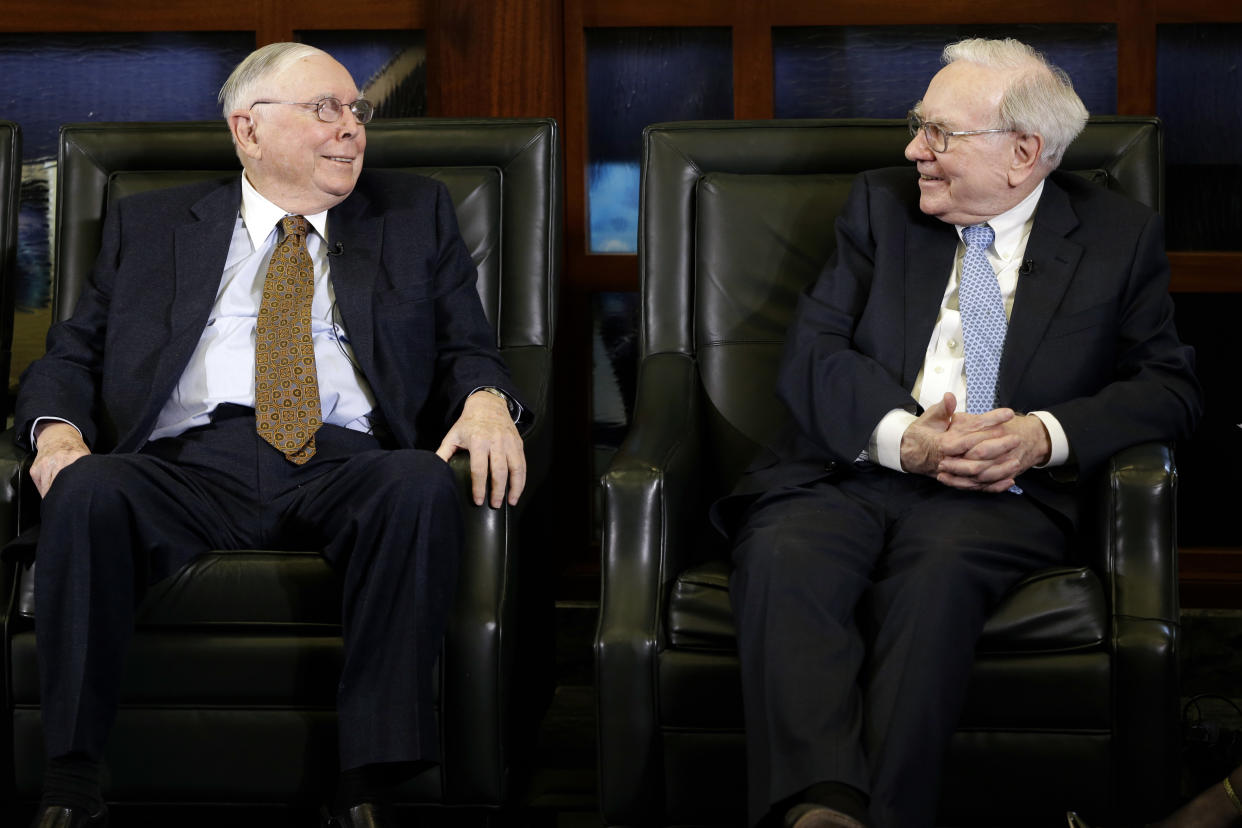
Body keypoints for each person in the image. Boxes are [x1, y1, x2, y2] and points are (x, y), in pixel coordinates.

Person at [15, 42, 528, 828]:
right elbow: (72, 354)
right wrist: (55, 435)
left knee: (419, 482)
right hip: (185, 466)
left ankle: (367, 784)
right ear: (247, 129)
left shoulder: (413, 212)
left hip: (345, 460)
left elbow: (469, 347)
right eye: (325, 109)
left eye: (356, 111)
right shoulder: (150, 224)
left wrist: (488, 400)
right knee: (87, 489)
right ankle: (71, 780)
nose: (352, 128)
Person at [721, 38, 1202, 828]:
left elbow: (1170, 387)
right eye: (919, 127)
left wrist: (1043, 435)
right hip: (855, 469)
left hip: (998, 494)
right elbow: (813, 352)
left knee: (938, 569)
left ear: (1023, 154)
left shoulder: (1119, 237)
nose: (915, 149)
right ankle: (821, 806)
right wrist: (903, 437)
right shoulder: (879, 208)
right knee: (783, 548)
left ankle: (885, 814)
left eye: (940, 133)